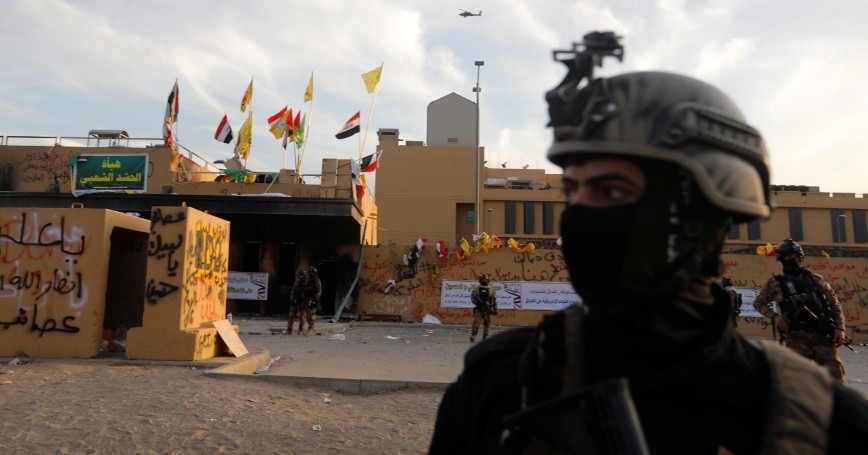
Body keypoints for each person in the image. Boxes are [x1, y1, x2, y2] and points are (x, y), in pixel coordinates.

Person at [429, 32, 868, 454]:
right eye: (573, 192)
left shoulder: (817, 422)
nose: (581, 218)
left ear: (702, 212)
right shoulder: (501, 385)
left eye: (611, 191)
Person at [753, 238, 848, 382]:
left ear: (801, 257)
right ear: (782, 259)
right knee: (794, 381)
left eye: (796, 256)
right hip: (797, 337)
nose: (793, 259)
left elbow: (834, 304)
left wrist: (840, 329)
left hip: (822, 335)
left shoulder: (816, 280)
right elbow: (759, 303)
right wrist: (775, 317)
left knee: (834, 379)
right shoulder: (775, 283)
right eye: (788, 256)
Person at [469, 274, 497, 342]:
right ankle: (473, 335)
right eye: (483, 279)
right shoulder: (476, 289)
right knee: (476, 322)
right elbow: (473, 298)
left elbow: (494, 299)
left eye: (485, 279)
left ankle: (485, 337)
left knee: (486, 323)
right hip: (479, 309)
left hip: (487, 309)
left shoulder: (491, 289)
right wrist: (477, 303)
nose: (484, 280)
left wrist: (494, 308)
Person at [300, 266, 322, 336]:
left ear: (315, 273)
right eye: (309, 272)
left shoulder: (316, 280)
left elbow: (319, 290)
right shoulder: (308, 280)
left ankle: (311, 329)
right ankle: (311, 329)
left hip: (312, 299)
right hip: (306, 299)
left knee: (311, 315)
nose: (310, 273)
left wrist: (315, 299)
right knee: (306, 316)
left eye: (312, 272)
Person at [287, 270, 307, 335]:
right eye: (300, 275)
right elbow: (293, 292)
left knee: (302, 317)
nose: (301, 276)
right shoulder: (296, 283)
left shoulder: (307, 283)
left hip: (303, 302)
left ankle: (301, 330)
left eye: (302, 275)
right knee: (291, 316)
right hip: (295, 301)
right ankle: (289, 330)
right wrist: (292, 300)